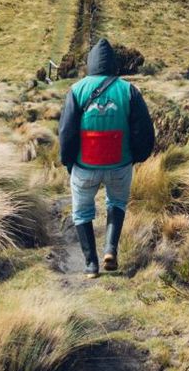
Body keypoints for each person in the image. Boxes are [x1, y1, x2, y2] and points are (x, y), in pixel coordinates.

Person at [58, 37, 155, 278]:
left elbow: (67, 131)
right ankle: (110, 249)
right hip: (120, 165)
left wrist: (68, 162)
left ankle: (91, 264)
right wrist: (137, 156)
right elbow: (144, 129)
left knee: (81, 212)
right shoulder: (128, 90)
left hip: (84, 166)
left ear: (90, 63)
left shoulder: (76, 90)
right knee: (117, 203)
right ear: (113, 64)